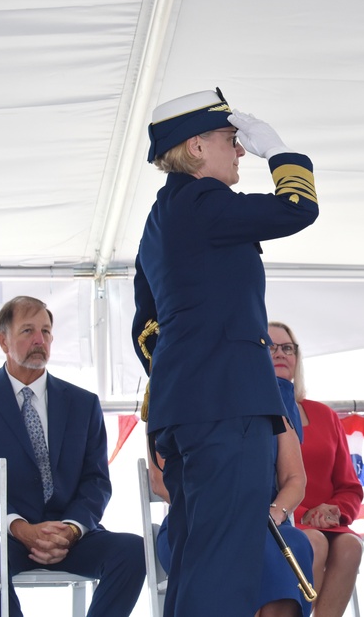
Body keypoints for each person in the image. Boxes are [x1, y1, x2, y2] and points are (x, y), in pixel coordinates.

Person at [132, 88, 319, 617]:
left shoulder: (159, 218)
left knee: (198, 560)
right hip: (227, 405)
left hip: (189, 407)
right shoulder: (202, 200)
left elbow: (146, 328)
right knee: (226, 566)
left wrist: (186, 377)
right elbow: (297, 209)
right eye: (231, 140)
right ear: (196, 147)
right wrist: (281, 154)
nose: (241, 151)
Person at [0, 296, 144, 617]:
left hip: (70, 535)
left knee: (133, 550)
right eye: (27, 331)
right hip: (4, 533)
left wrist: (70, 529)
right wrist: (21, 528)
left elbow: (96, 481)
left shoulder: (83, 404)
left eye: (46, 331)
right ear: (3, 341)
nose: (40, 340)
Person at [146, 376, 315, 617]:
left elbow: (295, 479)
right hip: (195, 522)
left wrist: (275, 513)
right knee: (244, 555)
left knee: (291, 544)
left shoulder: (268, 392)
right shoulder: (174, 385)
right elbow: (160, 481)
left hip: (264, 521)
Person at [269, 321, 364, 617]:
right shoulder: (252, 415)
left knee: (351, 546)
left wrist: (334, 509)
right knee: (313, 542)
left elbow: (350, 486)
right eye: (269, 347)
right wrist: (301, 514)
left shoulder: (324, 414)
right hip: (281, 520)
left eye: (287, 348)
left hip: (327, 522)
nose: (280, 354)